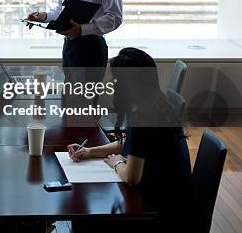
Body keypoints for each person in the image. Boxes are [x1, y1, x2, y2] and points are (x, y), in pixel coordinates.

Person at [67, 48, 192, 231]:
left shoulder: (142, 116)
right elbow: (135, 145)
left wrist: (117, 163)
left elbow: (132, 178)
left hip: (159, 214)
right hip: (174, 202)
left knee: (85, 218)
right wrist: (90, 151)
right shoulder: (158, 103)